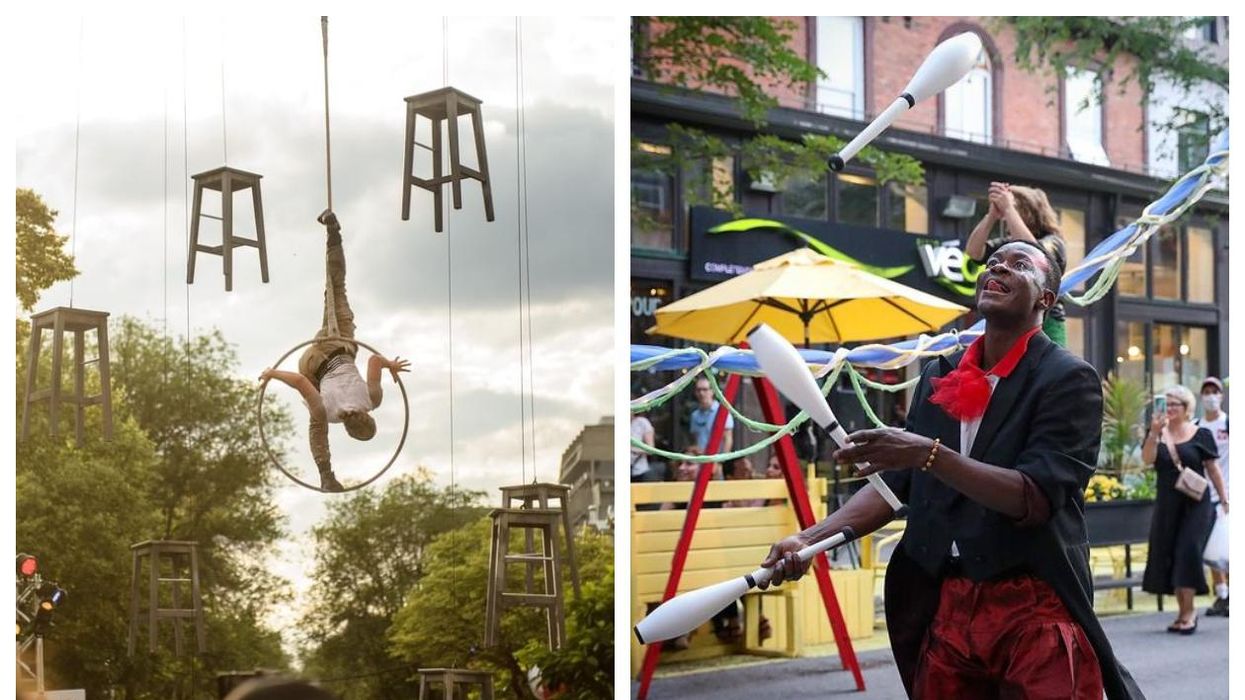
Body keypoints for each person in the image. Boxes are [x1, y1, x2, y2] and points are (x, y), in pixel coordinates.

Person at [759, 240, 1142, 698]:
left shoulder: (1068, 379)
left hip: (1034, 603)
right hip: (949, 602)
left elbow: (1032, 497)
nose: (997, 267)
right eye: (993, 262)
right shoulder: (941, 373)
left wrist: (929, 454)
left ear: (1046, 299)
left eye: (1020, 265)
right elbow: (893, 487)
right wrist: (810, 540)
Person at [260, 211, 409, 492]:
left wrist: (390, 364)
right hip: (313, 363)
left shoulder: (372, 399)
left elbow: (374, 359)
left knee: (336, 287)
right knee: (317, 423)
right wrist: (272, 373)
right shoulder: (329, 414)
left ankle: (334, 235)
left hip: (341, 343)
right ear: (349, 430)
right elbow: (301, 382)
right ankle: (325, 473)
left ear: (371, 417)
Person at [1141, 384, 1228, 633]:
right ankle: (1181, 612)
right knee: (1169, 554)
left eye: (1174, 404)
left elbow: (1213, 469)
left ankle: (1189, 613)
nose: (1169, 409)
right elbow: (1147, 459)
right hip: (1167, 506)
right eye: (1165, 404)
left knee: (1187, 552)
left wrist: (1224, 500)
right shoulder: (1157, 432)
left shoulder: (1201, 434)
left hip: (1197, 504)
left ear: (1187, 407)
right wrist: (1154, 434)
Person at [965, 182, 1069, 347]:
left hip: (1045, 322)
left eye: (1014, 207)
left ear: (1027, 211)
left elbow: (1034, 253)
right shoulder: (1008, 246)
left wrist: (1008, 208)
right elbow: (973, 252)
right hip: (1009, 320)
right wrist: (992, 215)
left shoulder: (1053, 241)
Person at [1198, 376, 1230, 616]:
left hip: (1229, 493)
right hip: (1203, 495)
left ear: (1221, 395)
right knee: (1211, 547)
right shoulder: (1197, 425)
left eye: (1215, 391)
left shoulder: (1228, 423)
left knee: (1229, 546)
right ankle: (1222, 594)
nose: (1211, 396)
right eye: (1206, 391)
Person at [689, 375, 733, 453]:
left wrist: (721, 462)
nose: (701, 393)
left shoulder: (722, 411)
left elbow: (728, 439)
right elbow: (695, 440)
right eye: (698, 390)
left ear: (712, 391)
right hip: (701, 460)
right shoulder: (695, 415)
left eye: (705, 389)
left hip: (716, 460)